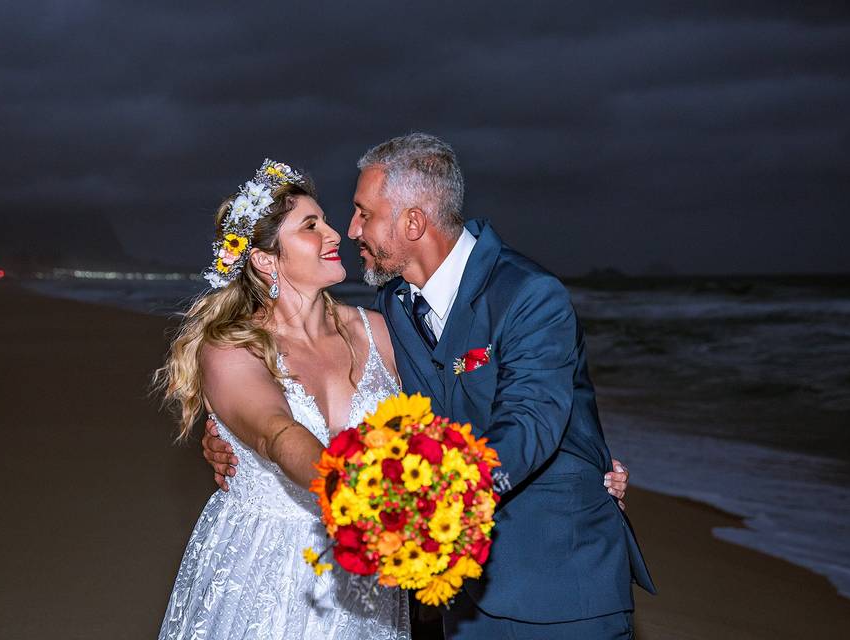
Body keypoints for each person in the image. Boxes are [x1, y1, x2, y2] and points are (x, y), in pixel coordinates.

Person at [204, 134, 651, 639]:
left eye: (361, 214)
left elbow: (531, 420)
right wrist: (228, 436)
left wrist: (589, 460)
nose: (348, 231)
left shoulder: (528, 295)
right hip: (452, 591)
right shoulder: (394, 308)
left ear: (413, 222)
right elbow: (276, 417)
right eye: (322, 222)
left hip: (558, 582)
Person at [155, 159, 410, 639]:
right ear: (266, 259)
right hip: (267, 564)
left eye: (327, 221)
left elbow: (441, 416)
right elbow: (275, 432)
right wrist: (353, 497)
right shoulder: (231, 347)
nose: (335, 235)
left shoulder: (377, 331)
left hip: (368, 577)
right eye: (311, 226)